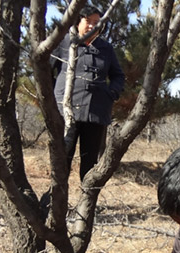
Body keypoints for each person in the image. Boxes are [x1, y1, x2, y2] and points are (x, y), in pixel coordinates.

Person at [51, 5, 125, 181]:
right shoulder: (62, 42)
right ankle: (55, 204)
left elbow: (118, 75)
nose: (92, 26)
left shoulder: (106, 48)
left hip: (96, 112)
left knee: (90, 164)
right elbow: (45, 72)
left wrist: (112, 93)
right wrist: (54, 96)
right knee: (62, 160)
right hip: (66, 111)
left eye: (96, 22)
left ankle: (87, 205)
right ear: (78, 21)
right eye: (88, 21)